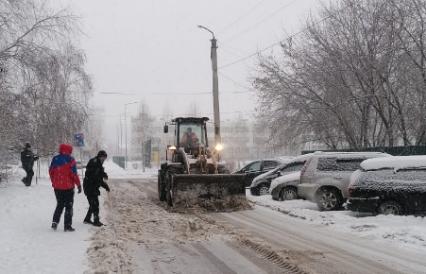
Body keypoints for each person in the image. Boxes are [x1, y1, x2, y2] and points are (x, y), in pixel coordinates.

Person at [49, 144, 81, 232]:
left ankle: (54, 222)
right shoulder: (71, 160)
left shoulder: (55, 159)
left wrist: (54, 181)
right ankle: (67, 225)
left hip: (57, 188)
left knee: (59, 204)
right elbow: (73, 174)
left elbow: (51, 171)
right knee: (68, 206)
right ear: (69, 150)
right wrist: (78, 185)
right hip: (68, 187)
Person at [83, 150, 110, 227]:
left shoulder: (97, 163)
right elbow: (96, 177)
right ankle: (96, 221)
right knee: (95, 204)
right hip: (90, 187)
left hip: (91, 186)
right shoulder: (95, 163)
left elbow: (99, 174)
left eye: (105, 158)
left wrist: (104, 174)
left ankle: (87, 219)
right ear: (100, 157)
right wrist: (105, 185)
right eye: (103, 158)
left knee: (93, 204)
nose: (104, 160)